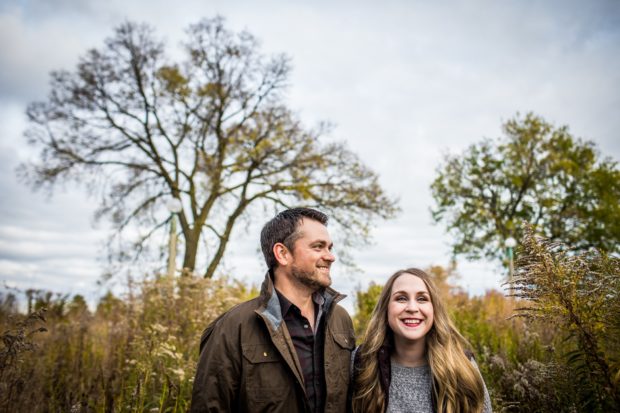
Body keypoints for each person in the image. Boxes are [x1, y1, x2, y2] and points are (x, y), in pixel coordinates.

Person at [190, 207, 355, 413]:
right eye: (318, 247)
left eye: (330, 247)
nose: (330, 257)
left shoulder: (341, 319)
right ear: (283, 253)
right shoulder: (233, 326)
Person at [350, 268, 492, 413]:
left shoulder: (463, 366)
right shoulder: (362, 362)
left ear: (434, 309)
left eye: (422, 299)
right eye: (401, 298)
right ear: (386, 308)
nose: (412, 308)